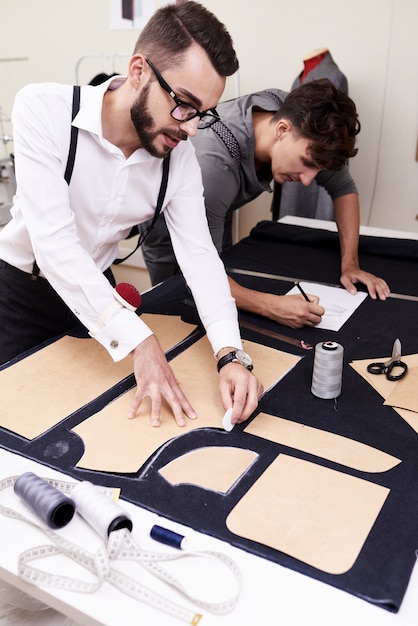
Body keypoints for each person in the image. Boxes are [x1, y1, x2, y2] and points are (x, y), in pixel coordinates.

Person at [0, 2, 263, 428]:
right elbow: (53, 244)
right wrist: (140, 341)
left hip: (99, 294)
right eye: (183, 103)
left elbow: (199, 257)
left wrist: (230, 354)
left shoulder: (179, 160)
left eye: (203, 113)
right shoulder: (43, 110)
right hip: (19, 294)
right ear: (139, 70)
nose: (191, 127)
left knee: (98, 424)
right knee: (17, 425)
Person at [139, 79, 390, 329]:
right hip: (165, 227)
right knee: (178, 314)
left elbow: (343, 188)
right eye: (307, 164)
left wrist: (350, 264)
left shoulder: (298, 116)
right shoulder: (213, 168)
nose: (307, 181)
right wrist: (273, 305)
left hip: (214, 212)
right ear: (282, 130)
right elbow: (202, 275)